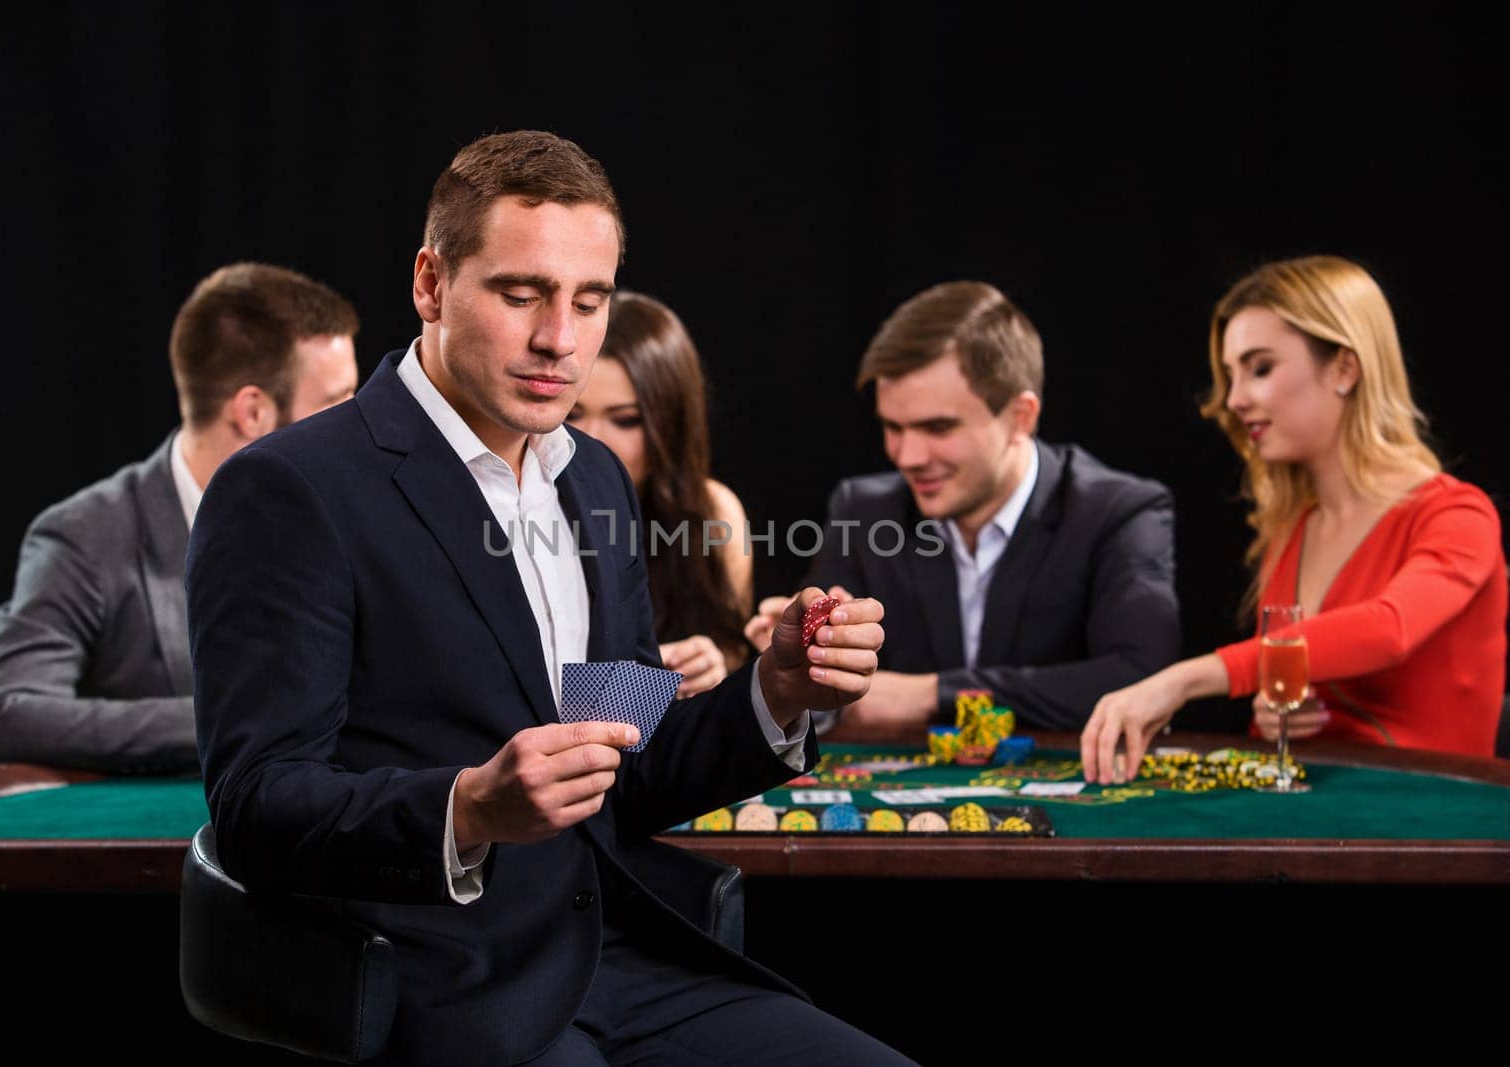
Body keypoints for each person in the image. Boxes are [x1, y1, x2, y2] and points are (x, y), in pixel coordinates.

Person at [185, 131, 908, 1066]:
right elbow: (256, 805)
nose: (558, 339)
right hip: (439, 991)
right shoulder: (288, 488)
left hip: (625, 965)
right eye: (520, 294)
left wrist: (779, 694)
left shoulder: (595, 477)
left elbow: (628, 764)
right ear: (431, 285)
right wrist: (469, 808)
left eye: (589, 300)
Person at [1082, 255, 1506, 782]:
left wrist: (1185, 680)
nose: (1235, 400)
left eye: (1260, 368)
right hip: (1315, 818)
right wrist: (1275, 713)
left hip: (1434, 832)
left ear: (1345, 369)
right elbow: (1301, 685)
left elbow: (1388, 629)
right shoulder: (1294, 528)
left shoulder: (1458, 514)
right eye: (1231, 376)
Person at [0, 262, 359, 773]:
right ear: (252, 412)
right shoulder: (88, 535)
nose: (357, 420)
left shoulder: (354, 515)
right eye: (335, 401)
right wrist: (234, 717)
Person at [745, 280, 1179, 732]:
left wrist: (932, 694)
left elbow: (1144, 681)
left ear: (1020, 417)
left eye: (938, 427)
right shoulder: (863, 509)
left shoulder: (1119, 511)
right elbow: (824, 702)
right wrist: (799, 661)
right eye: (893, 426)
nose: (907, 456)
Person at [566, 290, 753, 698]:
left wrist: (711, 665)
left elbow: (731, 659)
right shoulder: (512, 513)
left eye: (626, 420)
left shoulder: (713, 513)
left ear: (670, 424)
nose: (593, 441)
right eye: (572, 414)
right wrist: (646, 683)